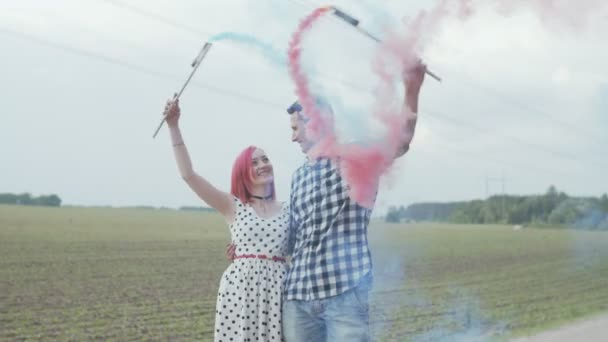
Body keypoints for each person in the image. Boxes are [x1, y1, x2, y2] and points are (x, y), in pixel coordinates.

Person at [281, 61, 427, 341]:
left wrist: (412, 88)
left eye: (295, 127)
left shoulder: (355, 155)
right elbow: (294, 238)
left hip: (344, 295)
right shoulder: (298, 176)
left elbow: (401, 140)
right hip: (298, 298)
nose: (292, 137)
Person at [163, 98, 290, 342]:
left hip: (278, 293)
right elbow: (188, 175)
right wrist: (173, 126)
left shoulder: (288, 208)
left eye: (265, 159)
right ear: (243, 172)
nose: (263, 165)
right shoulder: (232, 205)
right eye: (254, 162)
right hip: (240, 291)